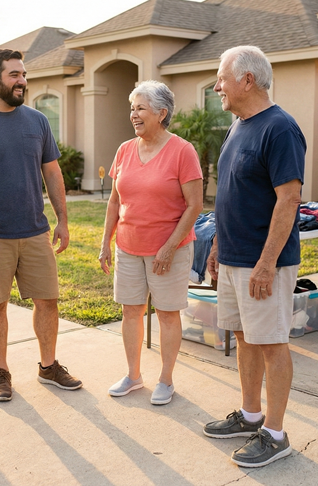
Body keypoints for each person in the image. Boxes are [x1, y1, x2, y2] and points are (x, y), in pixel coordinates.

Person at [0, 49, 82, 401]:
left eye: (23, 74)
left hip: (34, 230)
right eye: (13, 75)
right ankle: (2, 372)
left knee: (48, 301)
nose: (22, 81)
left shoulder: (37, 121)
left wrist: (62, 220)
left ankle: (49, 366)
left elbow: (52, 172)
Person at [203, 46, 306, 467]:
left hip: (264, 262)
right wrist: (215, 246)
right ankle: (250, 416)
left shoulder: (279, 129)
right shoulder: (237, 126)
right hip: (232, 256)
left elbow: (290, 199)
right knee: (245, 338)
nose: (217, 85)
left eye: (221, 77)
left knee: (272, 343)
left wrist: (266, 263)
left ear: (247, 80)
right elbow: (230, 193)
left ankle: (276, 434)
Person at [98, 80, 203, 405]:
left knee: (168, 314)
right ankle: (133, 375)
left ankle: (166, 380)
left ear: (162, 112)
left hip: (169, 249)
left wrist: (169, 247)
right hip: (129, 246)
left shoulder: (182, 151)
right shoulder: (125, 150)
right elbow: (115, 202)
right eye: (132, 108)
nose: (134, 114)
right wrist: (106, 243)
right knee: (131, 311)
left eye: (140, 108)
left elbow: (195, 205)